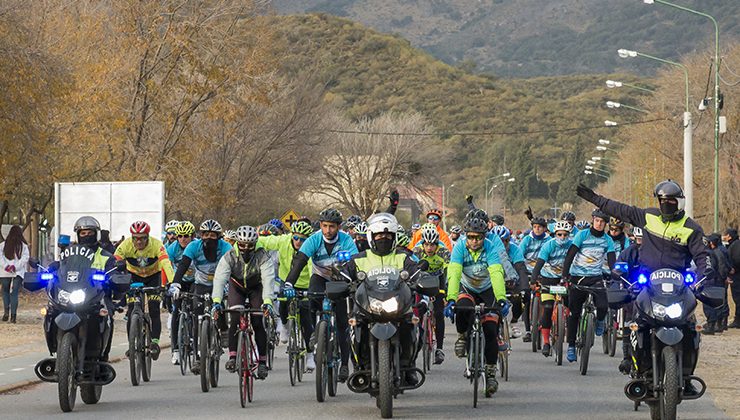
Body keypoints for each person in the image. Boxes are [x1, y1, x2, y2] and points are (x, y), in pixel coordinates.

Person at [576, 180, 713, 391]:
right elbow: (619, 209)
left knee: (690, 327)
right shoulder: (647, 216)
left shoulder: (691, 228)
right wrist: (593, 198)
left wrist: (705, 277)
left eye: (671, 200)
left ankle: (686, 377)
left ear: (680, 202)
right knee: (637, 322)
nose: (667, 203)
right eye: (663, 200)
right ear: (658, 201)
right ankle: (636, 365)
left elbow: (704, 257)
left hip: (678, 288)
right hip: (649, 285)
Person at [344, 213, 424, 385]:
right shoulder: (359, 258)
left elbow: (417, 272)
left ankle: (407, 366)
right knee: (353, 326)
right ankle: (360, 366)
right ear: (371, 237)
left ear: (394, 237)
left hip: (397, 305)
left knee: (414, 325)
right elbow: (344, 274)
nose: (383, 239)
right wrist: (342, 281)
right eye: (379, 235)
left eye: (388, 235)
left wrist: (421, 280)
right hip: (367, 306)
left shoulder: (402, 257)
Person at [283, 208, 358, 382]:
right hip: (320, 277)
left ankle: (345, 365)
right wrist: (289, 283)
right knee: (311, 297)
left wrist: (355, 283)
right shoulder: (314, 239)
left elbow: (356, 264)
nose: (328, 230)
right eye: (324, 226)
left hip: (340, 279)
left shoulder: (347, 240)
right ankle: (315, 333)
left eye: (332, 226)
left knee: (341, 324)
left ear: (339, 227)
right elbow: (300, 261)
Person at [445, 217, 507, 397]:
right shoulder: (459, 248)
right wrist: (450, 299)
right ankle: (462, 336)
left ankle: (490, 374)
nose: (474, 241)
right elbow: (454, 273)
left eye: (478, 238)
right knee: (462, 308)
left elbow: (496, 273)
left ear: (484, 237)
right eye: (471, 237)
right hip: (467, 288)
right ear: (466, 236)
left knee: (490, 330)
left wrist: (501, 299)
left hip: (487, 289)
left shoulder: (490, 247)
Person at [169, 219, 233, 373]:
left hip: (220, 282)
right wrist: (176, 283)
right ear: (201, 235)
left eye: (212, 235)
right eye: (205, 234)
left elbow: (233, 267)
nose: (208, 237)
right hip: (201, 284)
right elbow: (183, 265)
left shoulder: (226, 247)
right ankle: (198, 357)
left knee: (220, 305)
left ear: (218, 236)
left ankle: (223, 329)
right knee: (198, 317)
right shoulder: (193, 246)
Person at [212, 226, 275, 379]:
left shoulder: (263, 256)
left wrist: (267, 302)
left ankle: (261, 362)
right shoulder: (229, 256)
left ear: (255, 244)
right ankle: (233, 357)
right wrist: (217, 301)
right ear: (237, 243)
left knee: (257, 320)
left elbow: (268, 280)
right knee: (234, 317)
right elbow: (220, 280)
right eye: (242, 245)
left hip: (256, 287)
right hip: (237, 287)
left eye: (250, 246)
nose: (246, 249)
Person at [258, 220, 316, 371]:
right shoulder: (283, 241)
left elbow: (312, 269)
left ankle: (310, 355)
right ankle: (283, 324)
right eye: (296, 238)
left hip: (305, 284)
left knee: (306, 320)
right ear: (291, 236)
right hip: (287, 281)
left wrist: (312, 289)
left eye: (303, 239)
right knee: (282, 303)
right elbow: (264, 241)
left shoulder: (311, 247)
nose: (298, 242)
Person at [114, 221, 176, 360]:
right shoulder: (125, 245)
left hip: (153, 276)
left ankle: (154, 342)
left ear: (148, 236)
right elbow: (114, 262)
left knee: (154, 309)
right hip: (134, 276)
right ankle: (132, 344)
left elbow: (166, 263)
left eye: (142, 238)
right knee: (131, 309)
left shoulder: (156, 245)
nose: (139, 241)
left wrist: (172, 282)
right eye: (136, 238)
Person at [561, 209, 615, 363]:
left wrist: (617, 274)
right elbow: (570, 255)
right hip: (578, 278)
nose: (599, 224)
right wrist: (565, 275)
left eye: (602, 222)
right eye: (597, 220)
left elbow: (612, 261)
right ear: (593, 220)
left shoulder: (607, 240)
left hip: (595, 278)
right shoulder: (582, 235)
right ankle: (571, 345)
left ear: (605, 224)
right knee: (574, 313)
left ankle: (599, 321)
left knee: (603, 305)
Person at [530, 221, 573, 357]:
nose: (562, 237)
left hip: (565, 279)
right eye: (559, 234)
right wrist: (533, 279)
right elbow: (539, 264)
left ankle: (566, 326)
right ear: (555, 234)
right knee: (547, 308)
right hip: (548, 279)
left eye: (565, 235)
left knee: (570, 306)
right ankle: (546, 342)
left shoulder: (572, 246)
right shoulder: (548, 245)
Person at [412, 225, 449, 365]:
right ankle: (417, 342)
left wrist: (444, 293)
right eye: (426, 244)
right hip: (422, 280)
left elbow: (448, 272)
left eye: (432, 245)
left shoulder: (444, 251)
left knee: (439, 313)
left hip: (438, 279)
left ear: (437, 244)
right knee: (418, 311)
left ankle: (439, 349)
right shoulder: (416, 251)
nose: (429, 248)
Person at [166, 221, 196, 364]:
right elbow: (167, 267)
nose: (183, 239)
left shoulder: (196, 246)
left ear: (192, 236)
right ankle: (176, 350)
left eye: (186, 236)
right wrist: (168, 286)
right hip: (179, 281)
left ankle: (196, 342)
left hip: (195, 281)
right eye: (180, 236)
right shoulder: (172, 249)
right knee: (176, 312)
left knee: (196, 310)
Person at [491, 225, 528, 339]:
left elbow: (520, 268)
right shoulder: (488, 249)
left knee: (519, 297)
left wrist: (524, 287)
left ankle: (514, 321)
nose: (502, 244)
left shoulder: (514, 249)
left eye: (505, 240)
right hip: (492, 280)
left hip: (510, 281)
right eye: (499, 241)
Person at [518, 216, 549, 342]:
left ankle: (543, 324)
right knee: (526, 301)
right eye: (535, 227)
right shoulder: (526, 240)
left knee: (544, 299)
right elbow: (519, 256)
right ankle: (528, 330)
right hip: (528, 272)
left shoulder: (549, 240)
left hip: (543, 272)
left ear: (544, 229)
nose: (537, 229)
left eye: (539, 227)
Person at [702, 233, 731, 334]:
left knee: (709, 303)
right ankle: (717, 324)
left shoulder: (708, 254)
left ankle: (712, 325)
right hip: (717, 281)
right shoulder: (717, 251)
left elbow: (711, 268)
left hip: (710, 281)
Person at [0, 225, 29, 323]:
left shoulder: (3, 245)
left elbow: (0, 258)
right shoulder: (23, 246)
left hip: (4, 273)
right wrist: (15, 267)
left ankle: (6, 313)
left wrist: (6, 266)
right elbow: (25, 259)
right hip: (18, 273)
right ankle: (13, 316)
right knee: (14, 293)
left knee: (5, 292)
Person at [725, 228, 740, 328]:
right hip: (735, 275)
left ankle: (738, 320)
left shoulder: (736, 245)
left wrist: (733, 268)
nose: (724, 237)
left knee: (738, 298)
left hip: (737, 276)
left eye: (725, 235)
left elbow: (737, 259)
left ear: (729, 236)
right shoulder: (734, 245)